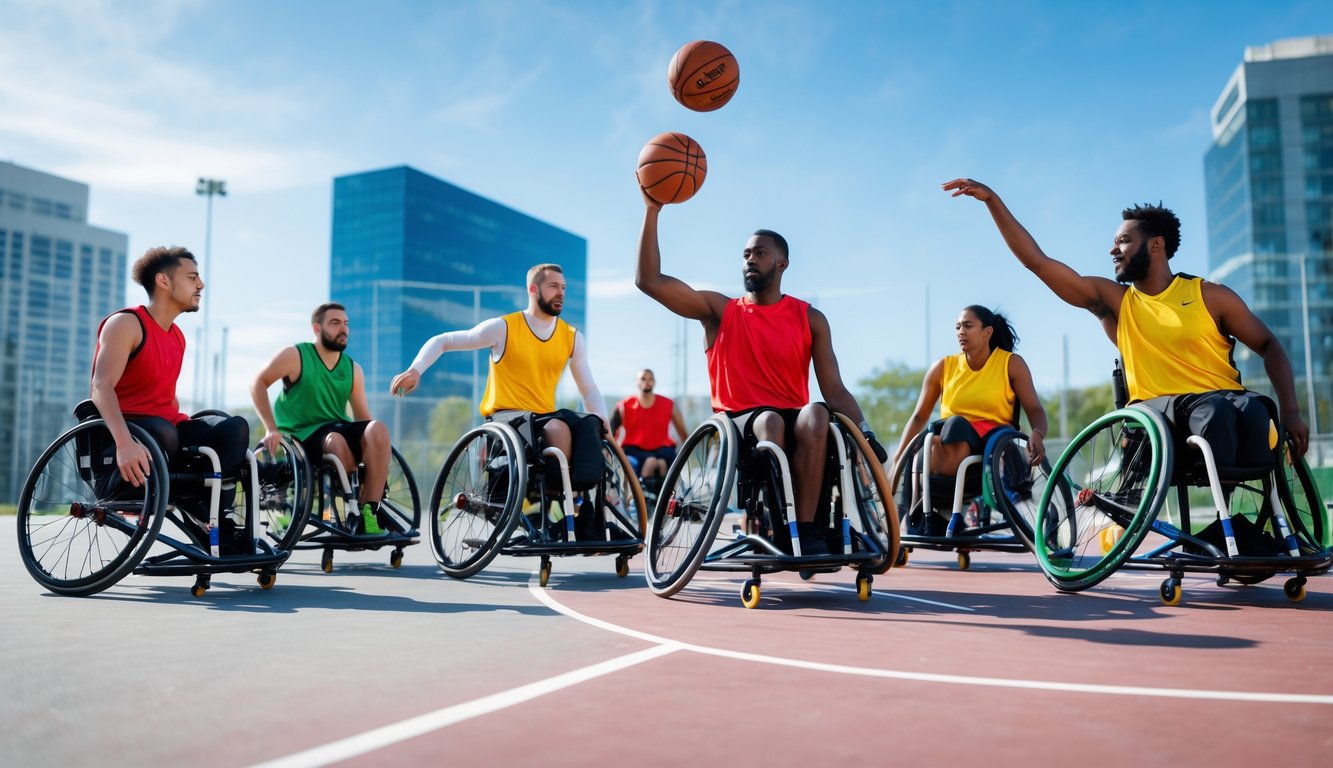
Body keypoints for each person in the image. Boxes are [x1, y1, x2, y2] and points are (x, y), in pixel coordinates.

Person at [943, 178, 1309, 467]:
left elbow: (1269, 345)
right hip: (1161, 415)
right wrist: (992, 200)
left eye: (1123, 241)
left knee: (1257, 411)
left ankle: (1249, 530)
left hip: (1221, 402)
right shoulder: (1116, 301)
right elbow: (1038, 262)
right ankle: (1223, 525)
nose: (1112, 249)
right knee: (1216, 414)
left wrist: (1290, 411)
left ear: (1156, 245)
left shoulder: (1210, 296)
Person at [636, 189, 888, 556]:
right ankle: (781, 526)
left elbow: (834, 389)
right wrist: (652, 211)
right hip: (737, 422)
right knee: (769, 419)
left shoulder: (810, 318)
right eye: (746, 254)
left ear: (782, 263)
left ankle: (804, 530)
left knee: (818, 411)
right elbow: (650, 281)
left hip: (791, 420)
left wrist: (865, 432)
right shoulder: (719, 310)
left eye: (760, 253)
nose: (750, 259)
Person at [389, 263, 610, 538]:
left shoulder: (572, 337)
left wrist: (601, 419)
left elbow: (588, 389)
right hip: (506, 420)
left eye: (563, 288)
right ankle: (556, 502)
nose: (561, 293)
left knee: (588, 426)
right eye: (554, 286)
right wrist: (415, 369)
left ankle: (582, 510)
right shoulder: (504, 327)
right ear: (533, 289)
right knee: (559, 428)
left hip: (544, 418)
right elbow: (444, 340)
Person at [90, 246, 251, 553]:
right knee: (165, 432)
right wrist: (124, 444)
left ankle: (216, 520)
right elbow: (100, 387)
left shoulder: (177, 336)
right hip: (122, 439)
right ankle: (203, 514)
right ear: (163, 281)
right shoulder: (126, 324)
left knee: (235, 429)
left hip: (166, 432)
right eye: (192, 277)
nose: (201, 285)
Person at [894, 306, 1048, 534]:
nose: (960, 332)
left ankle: (955, 510)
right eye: (957, 327)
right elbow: (918, 416)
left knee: (956, 426)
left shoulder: (1011, 363)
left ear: (987, 332)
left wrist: (1037, 433)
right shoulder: (943, 367)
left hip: (992, 444)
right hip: (951, 442)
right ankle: (927, 515)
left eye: (967, 326)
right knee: (938, 434)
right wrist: (898, 460)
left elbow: (1035, 409)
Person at [250, 302, 390, 535]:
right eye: (335, 323)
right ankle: (350, 502)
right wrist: (270, 428)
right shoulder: (296, 355)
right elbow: (258, 383)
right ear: (317, 328)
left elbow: (362, 417)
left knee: (377, 429)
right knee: (335, 440)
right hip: (301, 434)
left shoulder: (352, 368)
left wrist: (378, 448)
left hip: (338, 427)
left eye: (346, 324)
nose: (343, 329)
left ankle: (368, 512)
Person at [610, 369, 688, 489]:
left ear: (654, 382)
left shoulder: (668, 404)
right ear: (637, 382)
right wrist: (608, 453)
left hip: (662, 450)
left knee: (665, 464)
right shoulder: (624, 405)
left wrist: (686, 454)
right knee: (641, 463)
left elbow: (683, 433)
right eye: (643, 379)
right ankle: (635, 500)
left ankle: (672, 498)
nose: (647, 382)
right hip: (634, 451)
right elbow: (611, 433)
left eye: (650, 379)